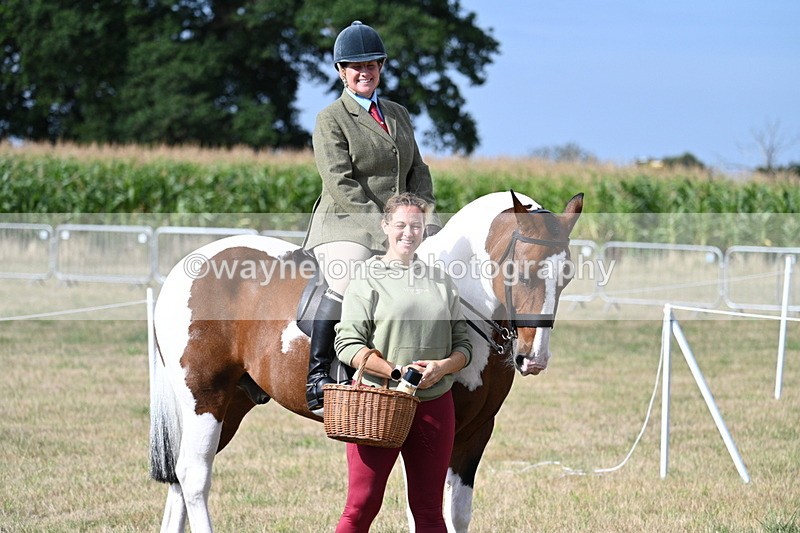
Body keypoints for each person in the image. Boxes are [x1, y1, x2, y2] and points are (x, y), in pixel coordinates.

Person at [303, 20, 441, 414]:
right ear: (342, 71)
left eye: (372, 65)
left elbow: (418, 170)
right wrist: (385, 233)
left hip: (402, 225)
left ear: (381, 67)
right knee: (351, 276)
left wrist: (423, 216)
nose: (365, 72)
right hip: (347, 224)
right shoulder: (331, 118)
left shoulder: (397, 113)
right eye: (356, 66)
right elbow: (340, 183)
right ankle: (318, 374)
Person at [332, 193, 471, 532]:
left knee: (428, 509)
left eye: (416, 226)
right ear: (386, 226)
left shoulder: (441, 280)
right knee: (361, 506)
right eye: (401, 225)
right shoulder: (367, 277)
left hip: (434, 405)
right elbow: (347, 344)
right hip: (379, 403)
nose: (408, 233)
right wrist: (396, 373)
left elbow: (463, 344)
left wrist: (443, 368)